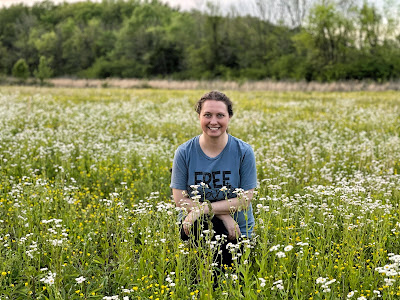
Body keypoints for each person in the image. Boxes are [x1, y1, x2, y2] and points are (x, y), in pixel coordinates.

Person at [170, 90, 257, 269]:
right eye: (207, 115)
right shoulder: (184, 152)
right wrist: (222, 214)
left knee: (234, 272)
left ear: (229, 117)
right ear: (199, 116)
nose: (213, 121)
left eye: (220, 115)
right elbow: (180, 201)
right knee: (207, 230)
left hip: (238, 228)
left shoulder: (244, 152)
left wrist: (203, 209)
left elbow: (245, 200)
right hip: (194, 224)